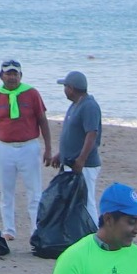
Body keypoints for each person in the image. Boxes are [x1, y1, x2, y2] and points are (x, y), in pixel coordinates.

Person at [0, 58, 53, 241]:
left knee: (34, 191)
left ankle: (36, 229)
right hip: (5, 148)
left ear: (21, 75)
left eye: (15, 73)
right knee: (6, 191)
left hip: (29, 146)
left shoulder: (32, 93)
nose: (12, 77)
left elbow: (42, 120)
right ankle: (9, 229)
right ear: (1, 75)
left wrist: (48, 148)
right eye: (8, 73)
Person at [56, 70, 103, 221]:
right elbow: (73, 133)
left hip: (85, 165)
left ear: (71, 88)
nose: (64, 90)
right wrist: (60, 155)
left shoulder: (89, 106)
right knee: (72, 201)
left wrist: (81, 159)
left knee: (86, 201)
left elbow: (92, 134)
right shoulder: (75, 104)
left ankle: (94, 233)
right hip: (71, 162)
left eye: (65, 86)